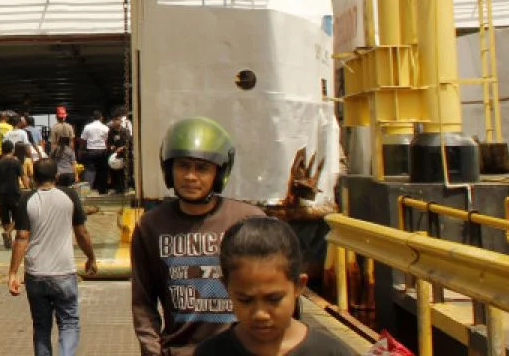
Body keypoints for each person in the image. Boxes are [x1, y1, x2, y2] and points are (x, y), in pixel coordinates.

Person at [131, 117, 264, 356]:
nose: (191, 176)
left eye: (202, 168)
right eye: (183, 166)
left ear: (219, 173)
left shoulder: (249, 221)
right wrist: (152, 350)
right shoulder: (150, 226)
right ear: (169, 170)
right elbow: (143, 302)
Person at [196, 218, 354, 356]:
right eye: (245, 300)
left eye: (273, 299)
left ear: (299, 286)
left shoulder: (331, 352)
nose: (260, 314)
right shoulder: (211, 352)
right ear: (226, 287)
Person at [8, 158, 97, 356]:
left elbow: (21, 238)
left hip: (36, 274)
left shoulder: (26, 200)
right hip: (64, 272)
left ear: (33, 178)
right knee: (69, 323)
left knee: (41, 327)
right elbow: (81, 233)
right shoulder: (70, 196)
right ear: (56, 176)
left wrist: (13, 273)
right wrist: (91, 257)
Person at [0, 140, 23, 249]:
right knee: (19, 216)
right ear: (12, 150)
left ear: (2, 150)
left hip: (1, 193)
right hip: (14, 192)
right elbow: (23, 177)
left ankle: (8, 239)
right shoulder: (16, 162)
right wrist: (29, 187)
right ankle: (8, 232)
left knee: (5, 218)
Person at [80, 111, 110, 194]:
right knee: (102, 171)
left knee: (90, 171)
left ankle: (87, 190)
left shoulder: (87, 127)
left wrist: (81, 150)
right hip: (102, 151)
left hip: (91, 151)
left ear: (93, 118)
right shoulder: (105, 128)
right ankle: (102, 190)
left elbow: (83, 140)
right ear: (101, 118)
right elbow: (107, 141)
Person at [107, 111, 132, 194]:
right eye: (113, 120)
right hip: (115, 156)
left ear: (120, 121)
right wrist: (111, 147)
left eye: (116, 120)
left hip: (124, 156)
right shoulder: (111, 132)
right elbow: (109, 143)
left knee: (123, 174)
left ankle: (124, 189)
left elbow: (130, 144)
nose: (115, 122)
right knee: (115, 173)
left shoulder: (125, 131)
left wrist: (122, 148)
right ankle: (117, 189)